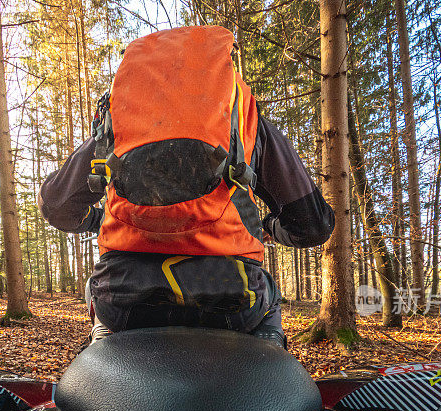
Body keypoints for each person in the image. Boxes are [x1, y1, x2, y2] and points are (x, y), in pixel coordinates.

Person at [38, 25, 334, 348]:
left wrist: (97, 221)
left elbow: (55, 205)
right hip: (229, 298)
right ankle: (268, 366)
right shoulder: (242, 113)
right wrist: (269, 227)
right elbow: (314, 225)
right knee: (269, 293)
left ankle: (103, 346)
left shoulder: (120, 118)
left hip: (124, 297)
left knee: (94, 291)